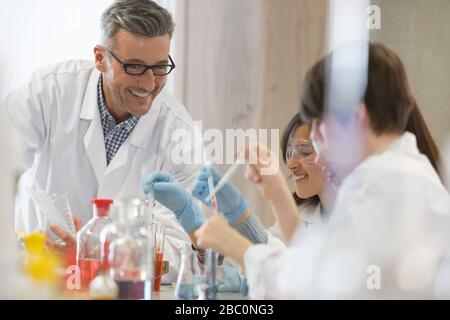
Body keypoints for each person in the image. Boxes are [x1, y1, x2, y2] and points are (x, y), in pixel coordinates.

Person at [194, 42, 450, 299]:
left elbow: (312, 286)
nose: (315, 135)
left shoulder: (380, 183)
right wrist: (278, 193)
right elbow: (318, 260)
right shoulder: (403, 171)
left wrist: (235, 245)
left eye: (319, 123)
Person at [3, 0, 199, 283]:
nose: (148, 83)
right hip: (41, 278)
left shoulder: (178, 132)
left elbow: (181, 250)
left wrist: (100, 254)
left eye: (159, 67)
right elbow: (3, 163)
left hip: (121, 287)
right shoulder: (50, 90)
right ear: (100, 58)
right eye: (133, 66)